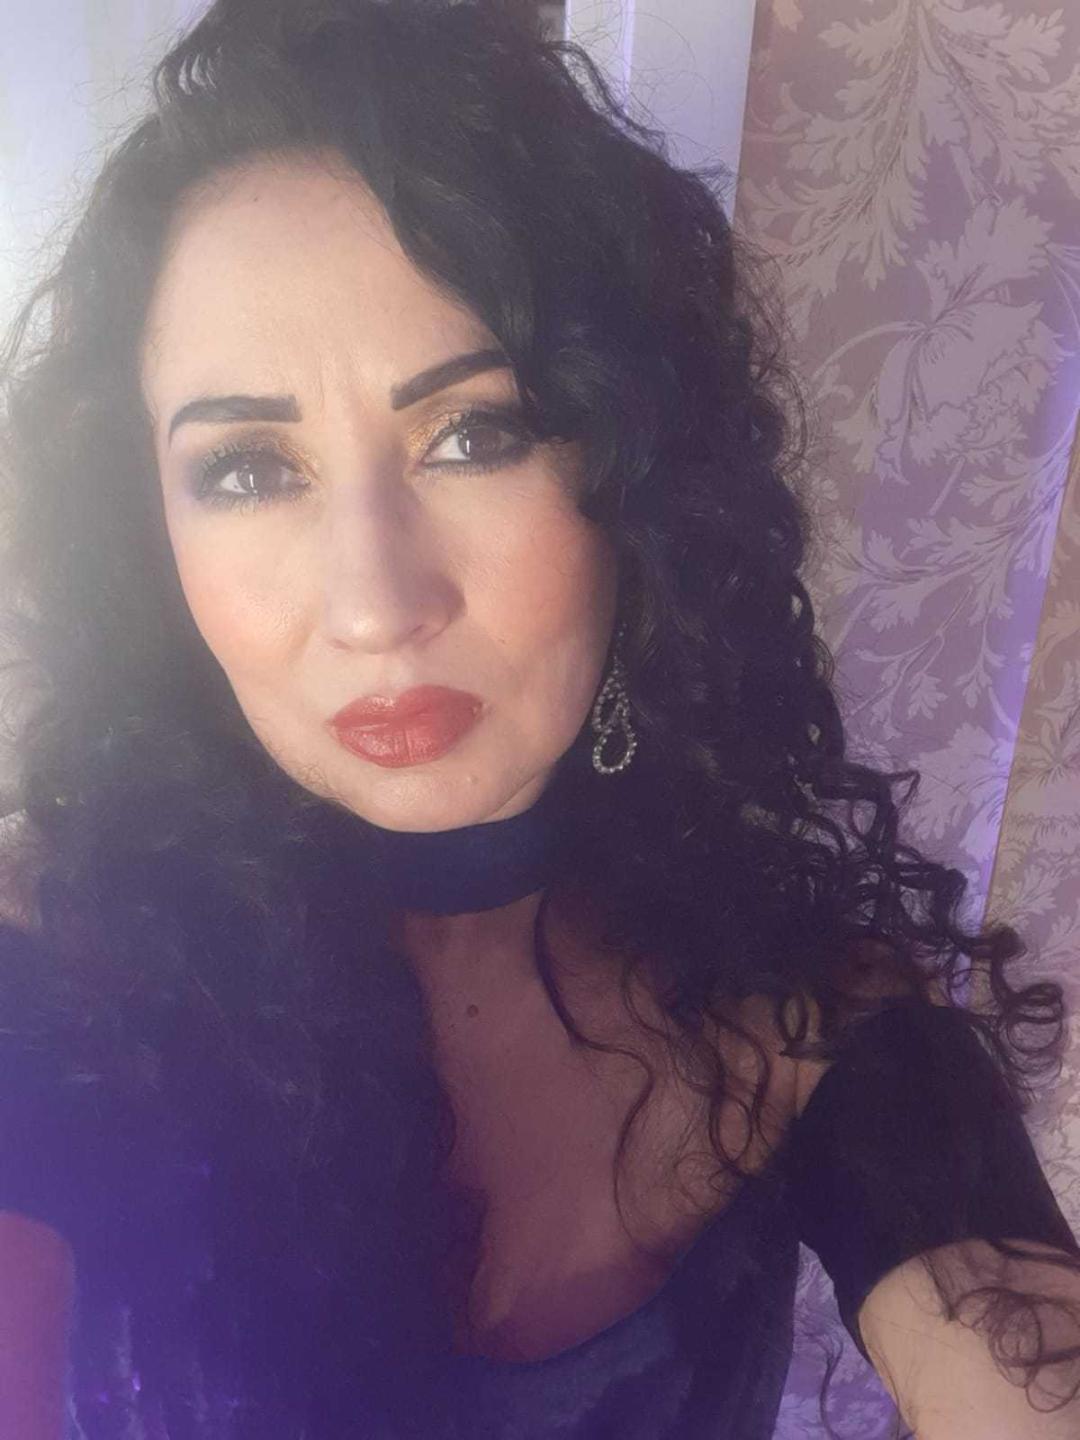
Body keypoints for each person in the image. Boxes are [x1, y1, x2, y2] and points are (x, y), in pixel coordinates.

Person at [0, 1, 1078, 1436]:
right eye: (249, 470)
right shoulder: (50, 968)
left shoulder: (812, 1011)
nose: (378, 604)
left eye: (475, 434)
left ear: (637, 478)